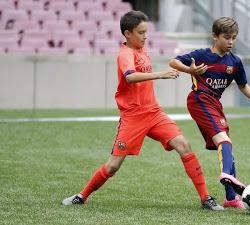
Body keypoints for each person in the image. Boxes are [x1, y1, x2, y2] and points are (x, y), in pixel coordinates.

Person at [62, 10, 224, 211]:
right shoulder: (125, 54)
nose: (145, 36)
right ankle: (82, 196)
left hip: (154, 113)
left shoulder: (142, 50)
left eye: (146, 32)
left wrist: (190, 70)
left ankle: (205, 198)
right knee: (113, 166)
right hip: (133, 117)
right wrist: (161, 75)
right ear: (128, 33)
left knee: (184, 145)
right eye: (141, 32)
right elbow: (130, 76)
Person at [169, 17, 250, 209]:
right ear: (215, 36)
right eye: (227, 37)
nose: (231, 41)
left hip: (214, 104)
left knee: (226, 147)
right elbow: (173, 62)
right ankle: (227, 175)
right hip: (199, 99)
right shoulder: (202, 55)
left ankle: (231, 198)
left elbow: (242, 84)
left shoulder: (235, 62)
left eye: (234, 38)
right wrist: (190, 69)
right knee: (224, 141)